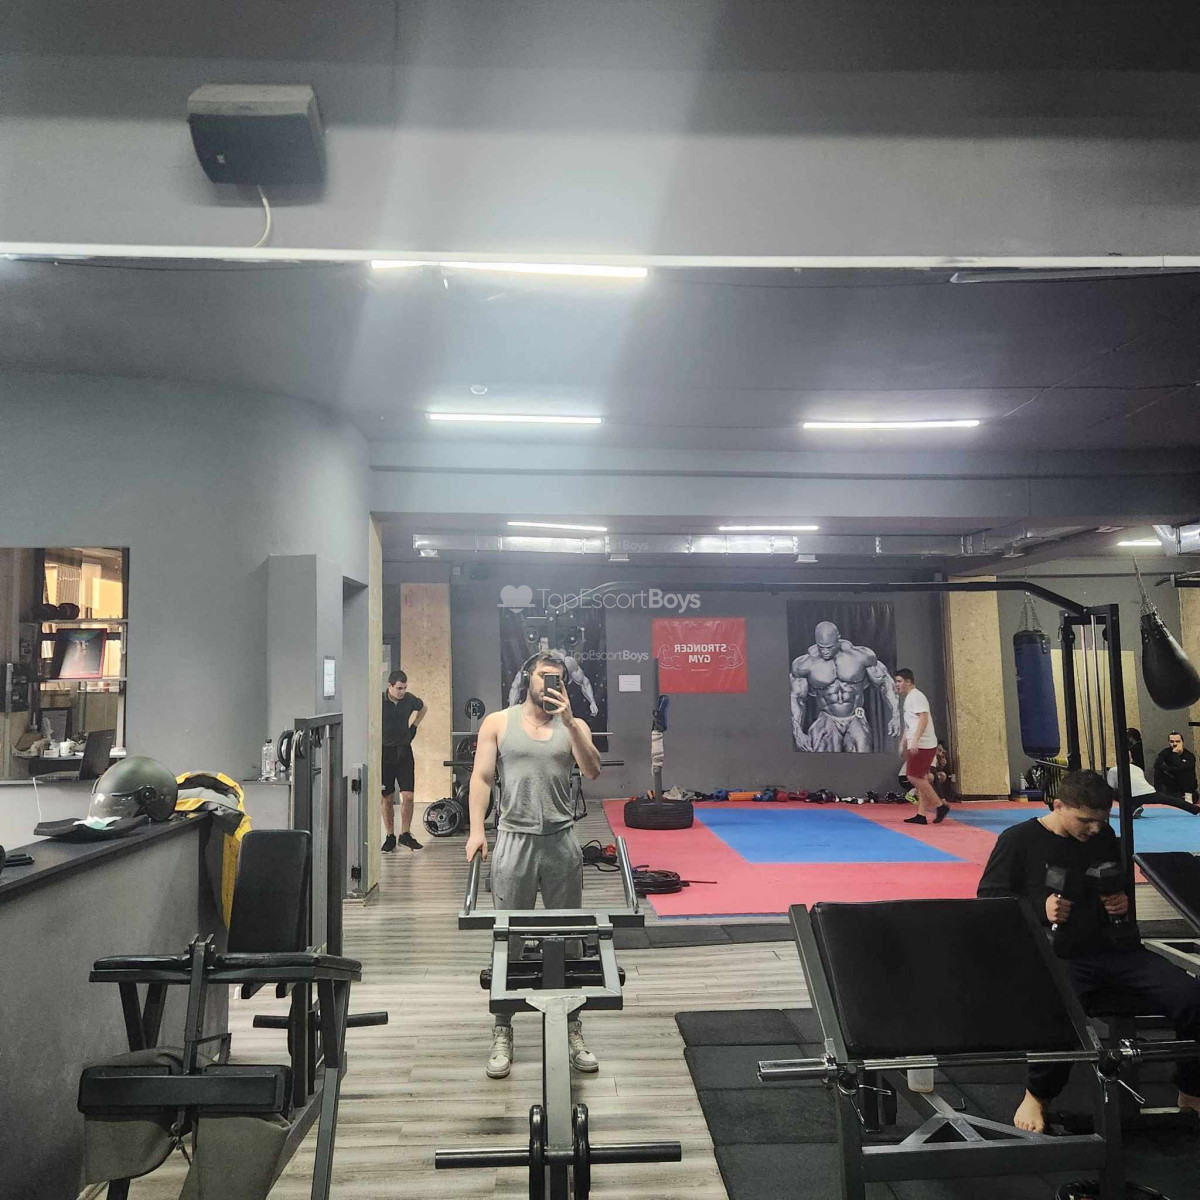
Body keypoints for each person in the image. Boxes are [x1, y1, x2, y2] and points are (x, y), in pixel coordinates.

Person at [977, 769, 1200, 1133]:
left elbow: (1112, 880)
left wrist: (1120, 900)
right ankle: (1037, 1095)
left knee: (1192, 996)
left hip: (1117, 951)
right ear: (1058, 805)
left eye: (1101, 820)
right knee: (1062, 1010)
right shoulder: (1018, 839)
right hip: (1060, 954)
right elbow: (989, 899)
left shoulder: (1104, 836)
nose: (1094, 829)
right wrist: (1040, 906)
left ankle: (1191, 1089)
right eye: (1085, 821)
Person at [466, 651, 603, 1079]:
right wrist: (476, 830)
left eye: (557, 678)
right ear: (529, 678)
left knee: (570, 940)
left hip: (561, 841)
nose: (550, 684)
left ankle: (572, 1028)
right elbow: (481, 778)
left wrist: (571, 724)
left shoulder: (574, 726)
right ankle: (502, 1029)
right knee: (509, 939)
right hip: (514, 841)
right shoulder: (498, 722)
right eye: (544, 676)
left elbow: (593, 771)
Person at [789, 621, 902, 752]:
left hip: (855, 715)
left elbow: (885, 683)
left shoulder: (860, 657)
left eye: (829, 647)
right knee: (821, 748)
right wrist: (797, 731)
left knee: (862, 746)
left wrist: (895, 714)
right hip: (827, 716)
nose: (825, 651)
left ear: (838, 639)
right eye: (821, 647)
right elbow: (797, 698)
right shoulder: (804, 664)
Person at [893, 668, 948, 825]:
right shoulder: (910, 698)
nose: (896, 685)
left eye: (899, 681)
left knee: (913, 776)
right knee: (922, 778)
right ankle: (921, 815)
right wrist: (903, 741)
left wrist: (916, 740)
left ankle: (940, 806)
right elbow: (910, 724)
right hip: (919, 743)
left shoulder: (916, 697)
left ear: (908, 682)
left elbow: (923, 719)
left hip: (923, 744)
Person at [380, 669, 427, 852]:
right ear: (389, 686)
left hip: (404, 751)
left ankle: (405, 834)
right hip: (385, 752)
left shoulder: (409, 699)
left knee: (408, 796)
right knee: (387, 797)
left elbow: (423, 708)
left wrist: (414, 726)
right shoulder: (379, 701)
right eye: (399, 688)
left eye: (405, 688)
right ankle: (390, 836)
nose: (402, 691)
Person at [1106, 751, 1200, 818]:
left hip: (1133, 797)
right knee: (1172, 801)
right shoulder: (1138, 769)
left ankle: (1133, 807)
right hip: (1150, 792)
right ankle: (1195, 809)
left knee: (1113, 792)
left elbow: (1111, 787)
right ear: (1131, 759)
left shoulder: (1113, 770)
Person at [1153, 731, 1198, 803]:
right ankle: (1158, 795)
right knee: (1158, 772)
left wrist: (1175, 754)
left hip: (1186, 786)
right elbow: (1157, 765)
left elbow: (1181, 767)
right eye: (1172, 741)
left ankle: (1187, 796)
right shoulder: (1165, 752)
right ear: (1168, 742)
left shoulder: (1189, 755)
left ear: (1182, 742)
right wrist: (1173, 769)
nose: (1174, 744)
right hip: (1173, 783)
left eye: (1177, 741)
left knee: (1186, 771)